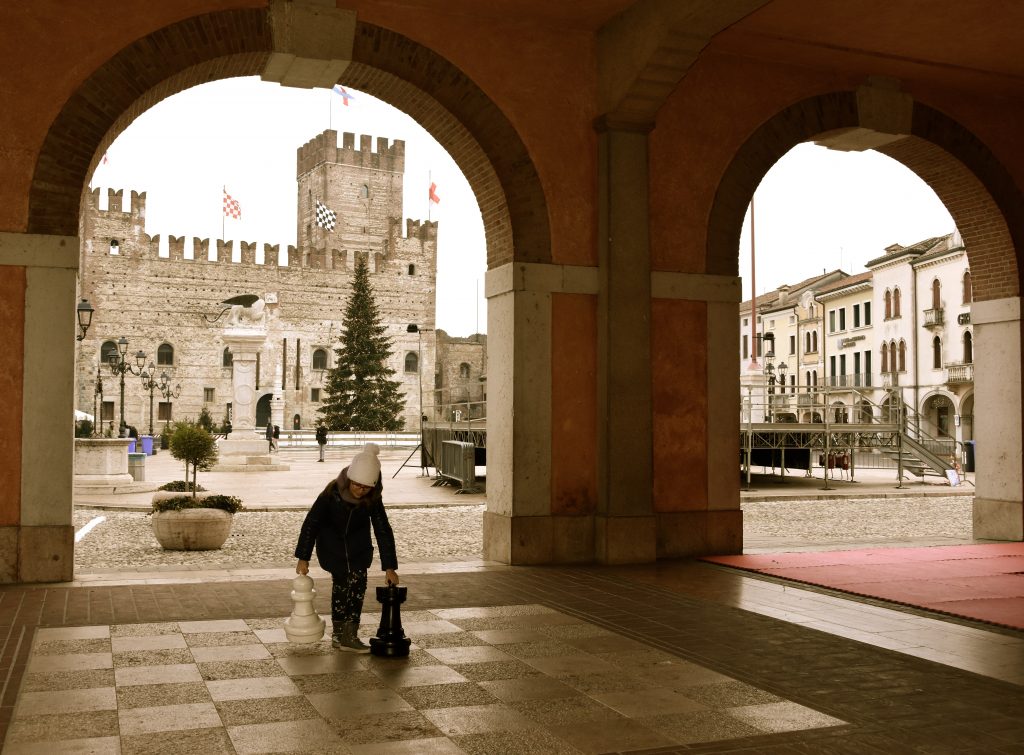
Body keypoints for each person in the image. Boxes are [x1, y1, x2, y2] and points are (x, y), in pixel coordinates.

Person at [294, 443, 399, 652]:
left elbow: (382, 530)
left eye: (366, 487)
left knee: (357, 589)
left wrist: (389, 567)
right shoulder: (331, 493)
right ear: (350, 479)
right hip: (333, 550)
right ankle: (339, 634)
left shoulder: (372, 499)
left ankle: (349, 635)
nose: (361, 491)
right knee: (342, 589)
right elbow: (311, 523)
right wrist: (303, 557)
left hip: (358, 551)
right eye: (357, 485)